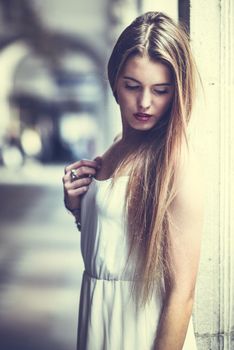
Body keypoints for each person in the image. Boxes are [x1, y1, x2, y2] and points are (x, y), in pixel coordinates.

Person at [62, 11, 203, 350]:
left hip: (144, 329)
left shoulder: (175, 162)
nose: (144, 103)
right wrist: (78, 208)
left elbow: (182, 296)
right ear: (114, 80)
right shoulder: (115, 147)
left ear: (177, 91)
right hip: (99, 317)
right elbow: (117, 243)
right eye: (132, 86)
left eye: (161, 90)